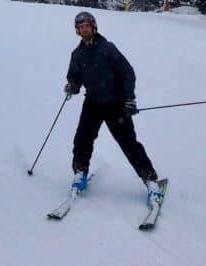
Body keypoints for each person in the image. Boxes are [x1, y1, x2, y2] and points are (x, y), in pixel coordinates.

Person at [64, 11, 162, 204]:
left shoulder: (108, 49)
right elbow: (73, 76)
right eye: (80, 26)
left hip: (115, 103)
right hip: (92, 103)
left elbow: (128, 74)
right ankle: (80, 173)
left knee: (128, 143)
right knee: (82, 139)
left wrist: (129, 99)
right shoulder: (77, 54)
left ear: (94, 27)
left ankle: (150, 180)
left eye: (87, 25)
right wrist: (72, 85)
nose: (84, 28)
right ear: (77, 30)